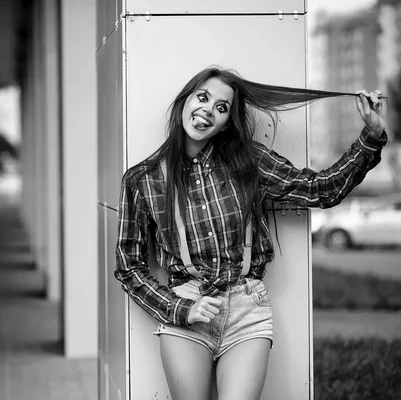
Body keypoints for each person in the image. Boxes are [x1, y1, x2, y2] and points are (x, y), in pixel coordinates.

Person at [114, 66, 386, 400]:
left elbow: (320, 190)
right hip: (186, 305)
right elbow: (129, 267)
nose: (207, 110)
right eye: (202, 97)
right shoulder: (143, 179)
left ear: (227, 122)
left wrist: (370, 138)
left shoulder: (248, 161)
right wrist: (179, 308)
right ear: (184, 100)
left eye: (221, 107)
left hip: (247, 307)